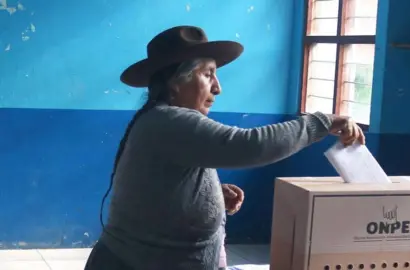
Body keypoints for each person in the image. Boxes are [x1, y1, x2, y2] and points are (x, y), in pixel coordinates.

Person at [84, 25, 365, 270]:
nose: (217, 88)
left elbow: (158, 186)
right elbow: (249, 145)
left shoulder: (164, 121)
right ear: (175, 82)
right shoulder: (169, 121)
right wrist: (320, 123)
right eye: (208, 75)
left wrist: (210, 195)